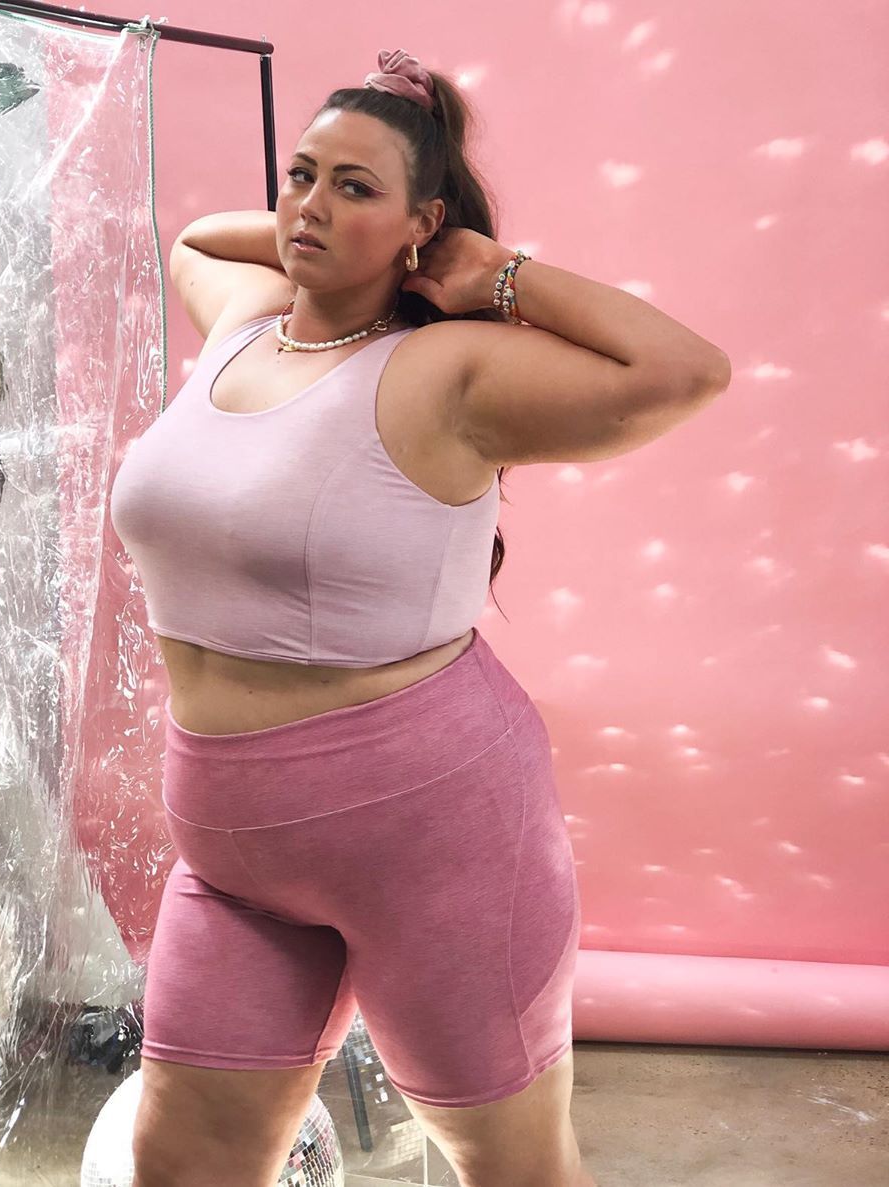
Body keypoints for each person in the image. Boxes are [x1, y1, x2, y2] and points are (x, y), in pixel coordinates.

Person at [114, 44, 727, 1187]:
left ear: (425, 226)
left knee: (512, 1167)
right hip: (231, 854)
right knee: (180, 1164)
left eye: (356, 187)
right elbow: (196, 236)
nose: (309, 204)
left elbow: (683, 369)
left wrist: (492, 274)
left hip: (435, 842)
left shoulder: (448, 370)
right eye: (301, 175)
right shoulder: (245, 320)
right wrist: (329, 231)